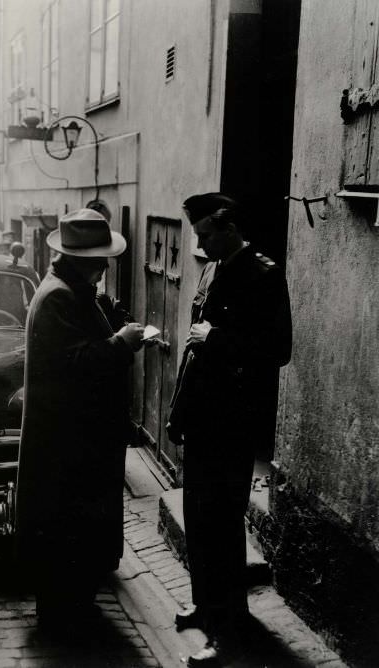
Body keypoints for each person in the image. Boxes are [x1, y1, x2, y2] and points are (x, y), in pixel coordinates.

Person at [167, 193, 292, 666]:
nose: (199, 244)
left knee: (221, 525)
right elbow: (194, 355)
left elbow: (278, 349)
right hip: (202, 418)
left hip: (232, 425)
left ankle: (227, 631)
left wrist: (217, 338)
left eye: (204, 235)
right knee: (198, 519)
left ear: (229, 228)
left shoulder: (263, 275)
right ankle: (205, 603)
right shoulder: (213, 267)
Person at [16, 208, 145, 636]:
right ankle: (64, 611)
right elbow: (74, 361)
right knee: (67, 525)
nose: (106, 266)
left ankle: (73, 603)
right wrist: (121, 343)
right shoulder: (58, 296)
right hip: (67, 440)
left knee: (74, 525)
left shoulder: (69, 290)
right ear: (82, 260)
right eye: (100, 259)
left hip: (77, 436)